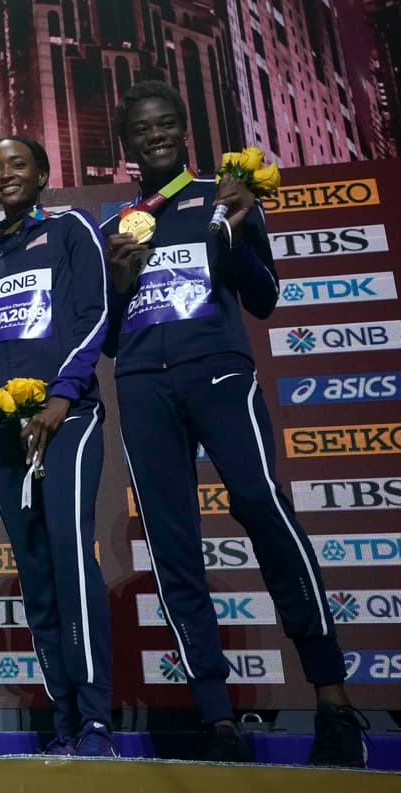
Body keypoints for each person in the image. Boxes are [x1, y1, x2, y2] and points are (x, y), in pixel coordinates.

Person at [104, 80, 364, 766]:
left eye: (165, 123)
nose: (155, 134)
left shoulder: (224, 196)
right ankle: (216, 717)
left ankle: (335, 701)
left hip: (218, 372)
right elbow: (106, 336)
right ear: (127, 143)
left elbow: (266, 296)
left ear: (184, 129)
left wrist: (240, 231)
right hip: (141, 386)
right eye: (142, 127)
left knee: (262, 505)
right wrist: (120, 281)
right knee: (171, 542)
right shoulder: (118, 223)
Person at [0, 137, 115, 757]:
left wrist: (61, 398)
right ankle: (66, 719)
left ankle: (98, 718)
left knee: (73, 560)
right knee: (38, 574)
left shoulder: (73, 227)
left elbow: (94, 315)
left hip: (63, 417)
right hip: (4, 425)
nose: (5, 175)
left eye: (17, 164)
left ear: (43, 173)